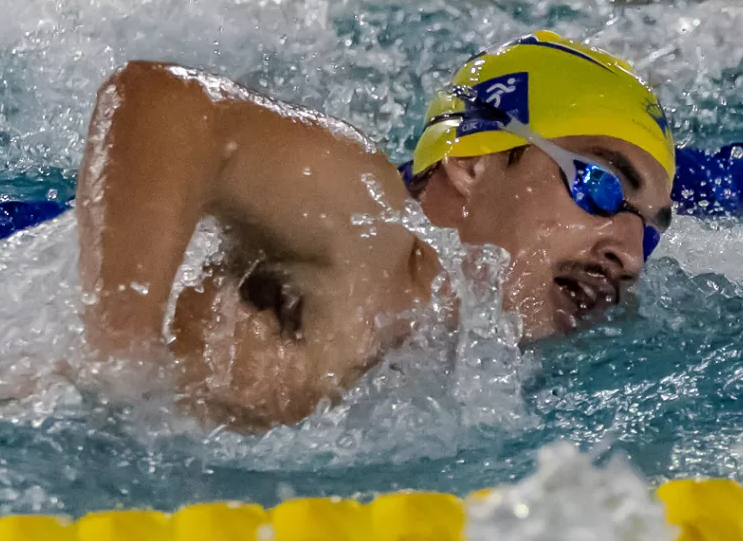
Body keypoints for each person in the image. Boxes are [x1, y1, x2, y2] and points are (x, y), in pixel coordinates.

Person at [77, 30, 675, 431]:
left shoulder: (471, 355)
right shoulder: (369, 231)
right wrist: (123, 363)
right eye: (600, 185)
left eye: (649, 231)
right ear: (471, 165)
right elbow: (165, 100)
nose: (628, 254)